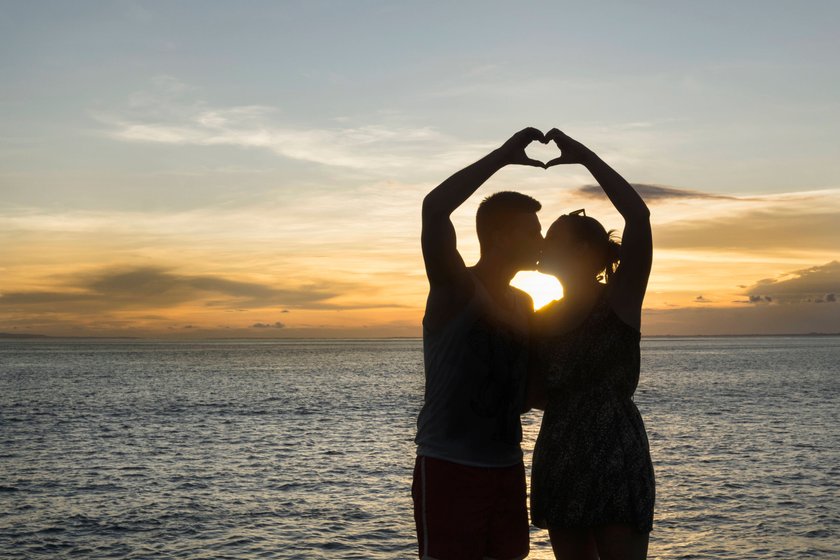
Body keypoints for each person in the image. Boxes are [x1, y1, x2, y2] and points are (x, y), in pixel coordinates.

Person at [412, 127, 546, 560]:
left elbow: (528, 392)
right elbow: (434, 210)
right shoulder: (458, 289)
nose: (542, 244)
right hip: (450, 465)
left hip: (506, 465)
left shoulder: (525, 303)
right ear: (504, 237)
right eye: (533, 233)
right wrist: (503, 156)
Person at [528, 129, 655, 560]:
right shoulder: (539, 317)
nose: (542, 249)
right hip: (562, 450)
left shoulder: (618, 300)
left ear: (585, 252)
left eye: (553, 241)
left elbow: (638, 218)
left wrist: (583, 156)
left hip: (614, 450)